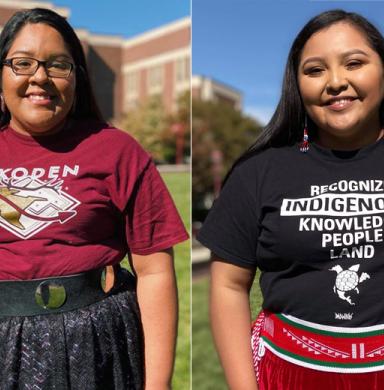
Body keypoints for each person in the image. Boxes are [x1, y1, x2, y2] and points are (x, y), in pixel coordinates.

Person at [0, 7, 188, 390]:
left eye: (57, 65)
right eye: (22, 63)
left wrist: (158, 384)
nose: (40, 76)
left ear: (77, 78)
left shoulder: (116, 150)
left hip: (98, 339)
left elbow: (154, 272)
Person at [197, 9, 384, 390]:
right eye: (315, 70)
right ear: (296, 84)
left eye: (354, 63)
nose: (336, 82)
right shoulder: (258, 172)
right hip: (289, 372)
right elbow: (229, 287)